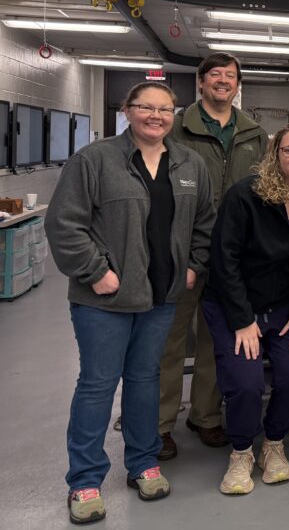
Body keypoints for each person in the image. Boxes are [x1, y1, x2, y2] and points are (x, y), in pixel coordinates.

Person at [46, 82, 216, 525]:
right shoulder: (95, 160)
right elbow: (64, 223)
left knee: (145, 380)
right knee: (98, 385)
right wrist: (95, 271)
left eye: (165, 109)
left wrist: (194, 265)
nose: (156, 116)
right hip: (104, 299)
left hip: (162, 296)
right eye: (146, 107)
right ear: (127, 110)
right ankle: (85, 480)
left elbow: (205, 221)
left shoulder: (189, 164)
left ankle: (143, 462)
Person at [203, 124, 289, 495]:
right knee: (246, 383)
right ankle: (241, 451)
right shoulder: (246, 195)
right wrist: (242, 321)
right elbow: (224, 260)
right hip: (235, 304)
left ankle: (274, 444)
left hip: (285, 307)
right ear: (275, 155)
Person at [159, 52, 268, 459]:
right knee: (169, 342)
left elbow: (264, 189)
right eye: (216, 75)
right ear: (201, 82)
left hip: (234, 256)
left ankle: (205, 416)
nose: (223, 81)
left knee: (216, 340)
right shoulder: (177, 128)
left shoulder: (254, 133)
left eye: (231, 76)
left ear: (238, 86)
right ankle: (160, 424)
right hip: (183, 250)